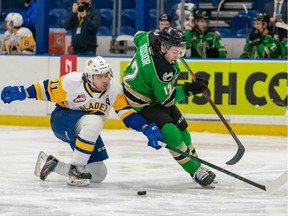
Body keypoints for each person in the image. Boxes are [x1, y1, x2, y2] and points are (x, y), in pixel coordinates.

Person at [1, 56, 163, 186]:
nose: (105, 80)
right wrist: (20, 92)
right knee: (94, 121)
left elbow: (127, 114)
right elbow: (45, 89)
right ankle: (77, 169)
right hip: (62, 121)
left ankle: (54, 165)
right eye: (99, 76)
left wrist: (146, 128)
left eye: (106, 75)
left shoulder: (114, 89)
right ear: (89, 77)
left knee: (99, 173)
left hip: (86, 130)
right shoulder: (72, 82)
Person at [122, 27, 216, 188]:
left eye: (181, 51)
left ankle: (197, 164)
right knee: (171, 133)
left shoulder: (150, 37)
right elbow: (168, 100)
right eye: (175, 52)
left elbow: (137, 36)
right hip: (143, 102)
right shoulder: (161, 70)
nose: (178, 56)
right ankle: (194, 170)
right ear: (163, 47)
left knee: (182, 128)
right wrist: (190, 89)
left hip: (153, 93)